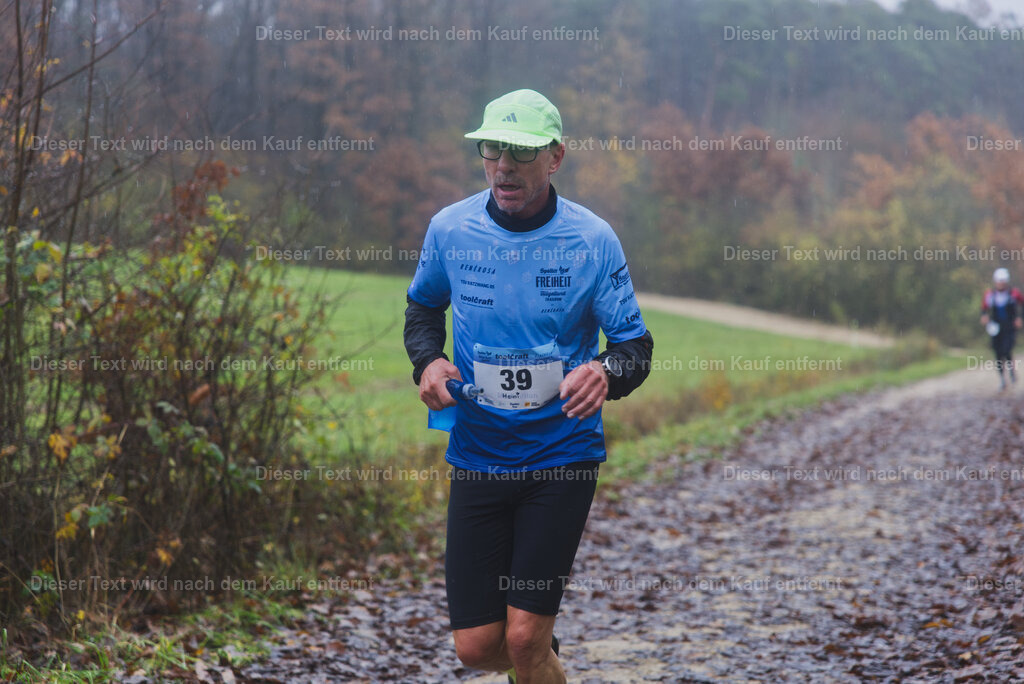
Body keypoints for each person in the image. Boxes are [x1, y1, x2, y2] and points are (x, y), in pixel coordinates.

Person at [403, 89, 653, 683]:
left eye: (521, 151)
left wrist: (604, 371)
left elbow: (634, 347)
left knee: (521, 640)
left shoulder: (592, 240)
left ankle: (533, 650)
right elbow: (422, 309)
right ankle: (538, 659)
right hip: (478, 453)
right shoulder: (450, 228)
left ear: (555, 156)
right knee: (475, 649)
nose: (504, 166)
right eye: (492, 149)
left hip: (561, 458)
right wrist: (428, 362)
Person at [980, 267, 1023, 390]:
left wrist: (1020, 318)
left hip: (1009, 327)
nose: (1001, 284)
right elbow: (983, 308)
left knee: (1007, 350)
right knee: (998, 353)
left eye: (1003, 281)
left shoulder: (1014, 293)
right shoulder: (990, 295)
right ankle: (1002, 379)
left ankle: (1011, 371)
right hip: (995, 327)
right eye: (999, 281)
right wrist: (984, 316)